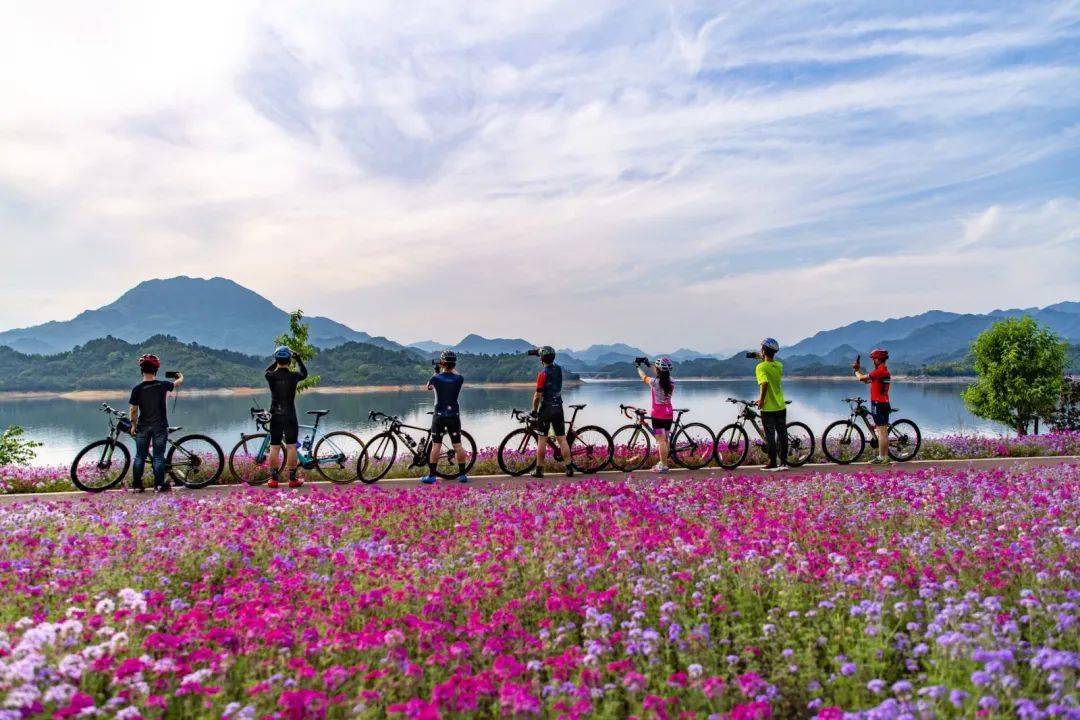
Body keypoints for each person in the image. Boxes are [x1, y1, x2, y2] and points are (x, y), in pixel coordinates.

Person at [128, 354, 183, 493]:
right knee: (158, 456)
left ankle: (136, 486)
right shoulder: (162, 385)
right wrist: (180, 376)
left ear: (142, 370)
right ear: (156, 370)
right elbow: (177, 383)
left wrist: (133, 425)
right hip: (160, 426)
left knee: (140, 456)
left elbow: (133, 410)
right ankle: (159, 485)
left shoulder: (137, 389)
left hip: (143, 427)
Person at [420, 350, 469, 484]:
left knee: (436, 445)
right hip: (454, 415)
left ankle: (431, 476)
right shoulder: (459, 379)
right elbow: (456, 373)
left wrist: (437, 371)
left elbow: (428, 387)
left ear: (442, 363)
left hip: (439, 415)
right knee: (458, 445)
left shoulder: (435, 378)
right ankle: (462, 475)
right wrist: (448, 366)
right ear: (454, 364)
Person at [265, 345, 308, 488]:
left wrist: (276, 360)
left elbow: (268, 370)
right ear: (289, 361)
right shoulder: (294, 376)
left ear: (277, 360)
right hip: (290, 414)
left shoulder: (271, 376)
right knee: (291, 447)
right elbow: (305, 374)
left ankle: (274, 479)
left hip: (275, 414)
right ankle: (292, 479)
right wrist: (298, 359)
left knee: (274, 447)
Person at [531, 346, 574, 479]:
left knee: (542, 440)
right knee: (562, 439)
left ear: (542, 360)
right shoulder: (559, 369)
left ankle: (539, 470)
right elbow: (547, 356)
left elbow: (537, 395)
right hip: (558, 406)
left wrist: (534, 410)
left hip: (546, 408)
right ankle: (569, 468)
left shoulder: (542, 374)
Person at [636, 356, 675, 473]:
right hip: (669, 414)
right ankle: (663, 463)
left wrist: (638, 366)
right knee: (665, 440)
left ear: (658, 370)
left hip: (658, 415)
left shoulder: (654, 382)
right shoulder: (672, 381)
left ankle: (664, 466)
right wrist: (649, 364)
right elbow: (662, 373)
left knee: (661, 441)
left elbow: (643, 377)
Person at [754, 338, 788, 472]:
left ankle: (773, 462)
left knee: (770, 435)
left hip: (768, 408)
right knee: (782, 434)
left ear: (763, 351)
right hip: (780, 406)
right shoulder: (779, 366)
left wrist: (761, 400)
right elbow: (770, 365)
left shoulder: (760, 367)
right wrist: (763, 357)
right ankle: (784, 462)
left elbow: (765, 383)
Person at [854, 348, 892, 465]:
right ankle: (885, 457)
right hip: (885, 403)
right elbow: (867, 381)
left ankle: (882, 457)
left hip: (877, 403)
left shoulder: (879, 372)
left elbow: (861, 378)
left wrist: (856, 370)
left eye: (874, 359)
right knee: (883, 431)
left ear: (878, 360)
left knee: (881, 432)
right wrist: (859, 369)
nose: (872, 361)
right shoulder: (885, 372)